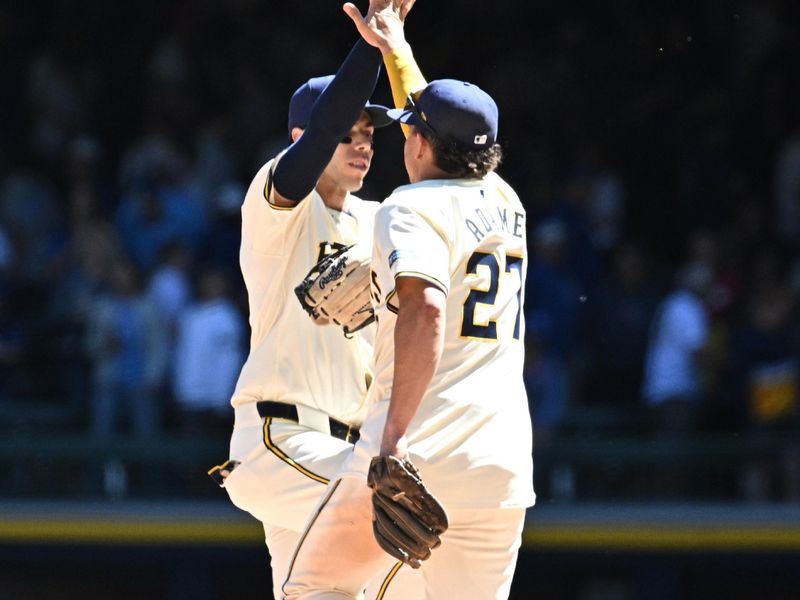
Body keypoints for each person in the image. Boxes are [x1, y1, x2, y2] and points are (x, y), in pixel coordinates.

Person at [282, 3, 535, 598]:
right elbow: (441, 116)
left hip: (421, 448)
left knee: (315, 587)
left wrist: (392, 442)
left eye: (408, 128)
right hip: (502, 465)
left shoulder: (410, 207)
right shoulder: (508, 201)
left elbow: (424, 310)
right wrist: (395, 44)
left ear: (420, 144)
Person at [208, 3, 422, 598]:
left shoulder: (379, 221)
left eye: (368, 134)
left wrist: (400, 52)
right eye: (349, 133)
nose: (363, 145)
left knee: (322, 590)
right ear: (303, 137)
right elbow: (322, 132)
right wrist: (373, 46)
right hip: (281, 439)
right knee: (390, 527)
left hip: (346, 443)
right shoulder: (275, 206)